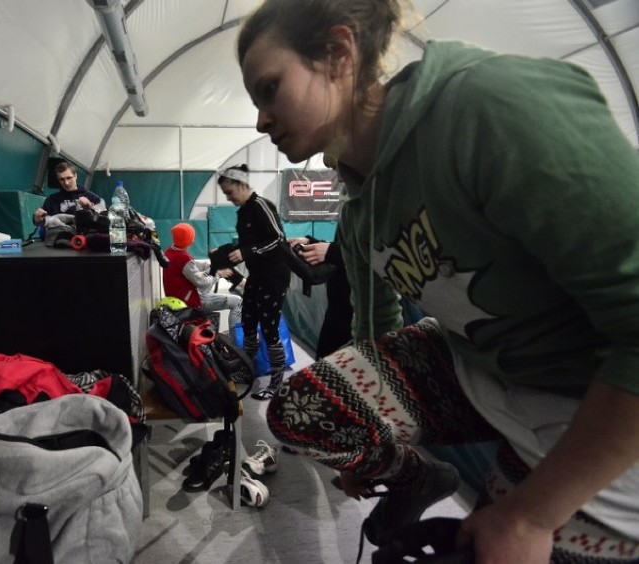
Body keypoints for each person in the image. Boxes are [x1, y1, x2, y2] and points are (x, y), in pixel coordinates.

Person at [237, 1, 639, 563]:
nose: (261, 120)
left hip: (599, 402)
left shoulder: (492, 106)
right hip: (486, 369)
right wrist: (381, 453)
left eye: (270, 89)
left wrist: (532, 513)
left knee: (501, 541)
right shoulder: (361, 209)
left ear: (337, 54)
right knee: (303, 411)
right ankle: (421, 482)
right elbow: (376, 328)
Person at [218, 164, 291, 401]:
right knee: (248, 324)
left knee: (270, 331)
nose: (229, 198)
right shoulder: (244, 212)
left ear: (241, 185)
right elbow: (251, 244)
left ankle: (277, 383)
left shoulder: (261, 205)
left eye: (230, 192)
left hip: (274, 277)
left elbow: (279, 239)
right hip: (257, 276)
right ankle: (247, 371)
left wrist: (246, 252)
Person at [163, 222, 243, 334]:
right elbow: (202, 283)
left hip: (178, 298)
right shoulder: (183, 258)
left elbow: (191, 265)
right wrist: (218, 274)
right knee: (237, 301)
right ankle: (235, 342)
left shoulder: (170, 251)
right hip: (191, 302)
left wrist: (210, 265)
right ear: (190, 239)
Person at [33, 161, 104, 225]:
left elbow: (104, 217)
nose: (66, 183)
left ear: (75, 176)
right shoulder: (51, 200)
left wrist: (90, 207)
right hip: (59, 236)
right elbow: (43, 222)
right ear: (58, 180)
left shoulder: (91, 196)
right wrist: (37, 219)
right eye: (62, 179)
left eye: (69, 178)